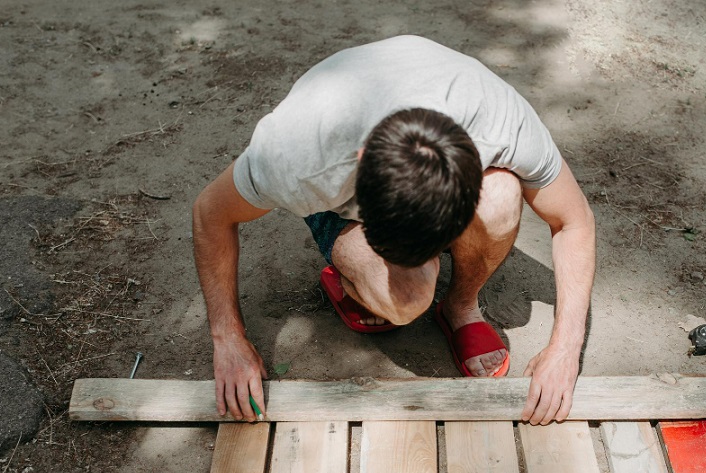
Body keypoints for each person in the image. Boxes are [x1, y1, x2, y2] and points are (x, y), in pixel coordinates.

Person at [192, 35, 596, 426]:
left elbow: (574, 221)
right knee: (407, 299)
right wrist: (227, 338)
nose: (433, 266)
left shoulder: (503, 125)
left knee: (502, 198)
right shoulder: (297, 154)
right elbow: (210, 214)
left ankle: (460, 305)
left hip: (435, 125)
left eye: (433, 252)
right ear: (363, 164)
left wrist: (565, 348)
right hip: (337, 170)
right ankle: (355, 276)